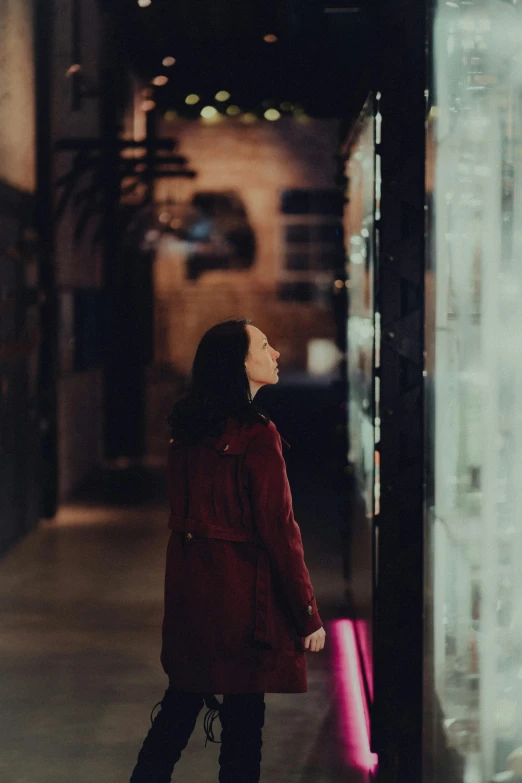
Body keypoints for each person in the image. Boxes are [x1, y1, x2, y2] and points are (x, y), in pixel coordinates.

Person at [129, 318, 326, 783]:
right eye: (263, 345)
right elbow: (280, 530)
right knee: (243, 731)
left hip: (192, 593)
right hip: (241, 600)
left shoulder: (186, 427)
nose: (275, 352)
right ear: (239, 363)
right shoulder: (259, 436)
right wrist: (307, 613)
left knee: (177, 712)